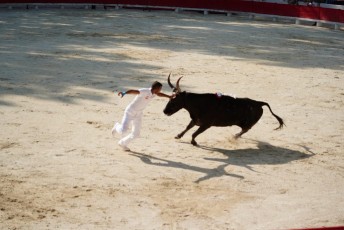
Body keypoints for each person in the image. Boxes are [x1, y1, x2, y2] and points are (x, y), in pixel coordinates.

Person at [112, 81, 173, 151]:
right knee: (123, 130)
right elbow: (134, 91)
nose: (160, 90)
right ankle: (116, 126)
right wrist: (124, 93)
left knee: (136, 134)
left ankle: (122, 143)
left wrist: (169, 96)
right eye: (160, 89)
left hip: (139, 114)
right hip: (130, 112)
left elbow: (159, 94)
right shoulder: (145, 91)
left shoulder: (154, 93)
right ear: (156, 88)